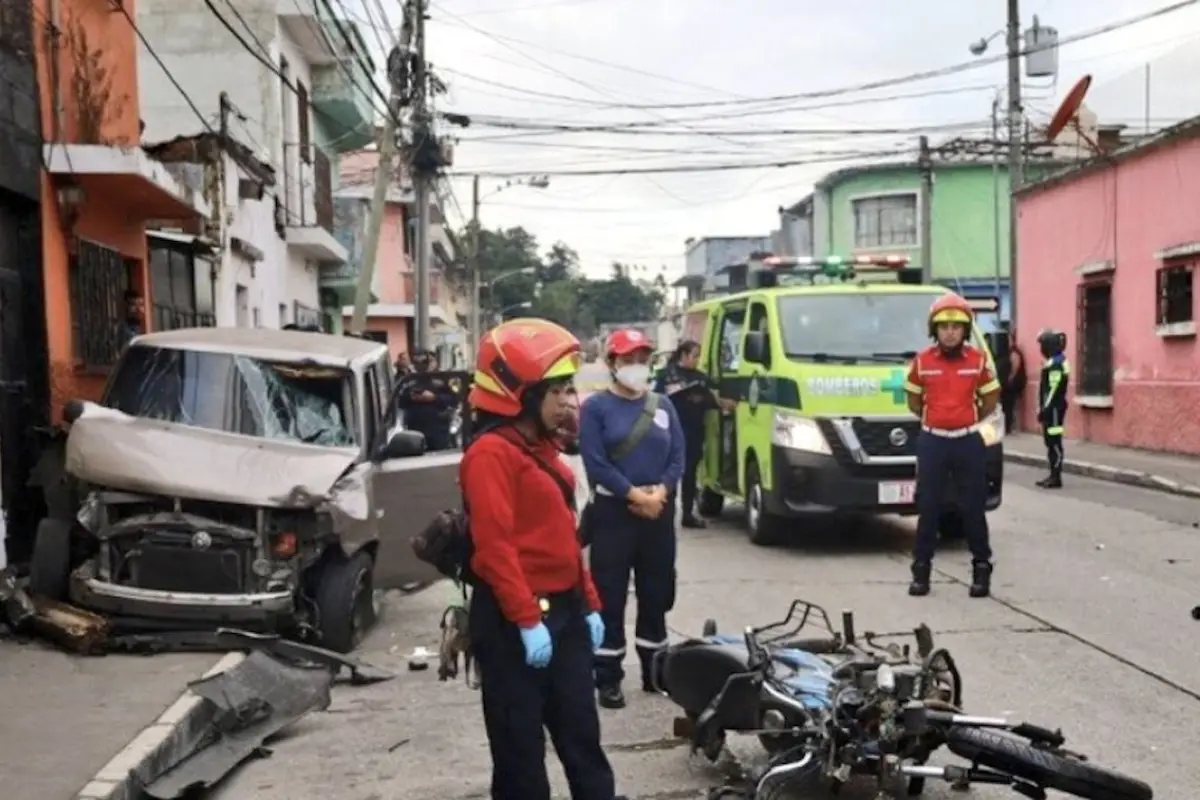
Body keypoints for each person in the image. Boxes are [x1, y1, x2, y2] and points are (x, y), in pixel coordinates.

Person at [461, 318, 625, 800]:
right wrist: (527, 620)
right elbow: (495, 549)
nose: (570, 402)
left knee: (582, 737)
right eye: (559, 391)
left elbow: (563, 539)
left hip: (567, 612)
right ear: (522, 394)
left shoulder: (546, 450)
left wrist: (590, 602)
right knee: (519, 754)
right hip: (514, 623)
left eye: (571, 389)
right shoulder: (490, 455)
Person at [581, 328, 685, 709]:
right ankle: (607, 676)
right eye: (628, 360)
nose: (637, 367)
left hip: (658, 509)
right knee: (608, 594)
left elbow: (678, 456)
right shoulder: (595, 408)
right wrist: (634, 494)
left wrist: (660, 492)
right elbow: (595, 463)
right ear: (612, 363)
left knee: (657, 590)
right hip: (614, 511)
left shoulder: (663, 406)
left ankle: (655, 671)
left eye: (643, 359)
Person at [903, 293, 1000, 599]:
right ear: (935, 330)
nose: (950, 332)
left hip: (967, 442)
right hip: (933, 442)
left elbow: (990, 399)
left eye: (956, 326)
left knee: (972, 508)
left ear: (965, 330)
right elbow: (915, 402)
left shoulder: (978, 362)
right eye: (943, 326)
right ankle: (921, 572)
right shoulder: (922, 362)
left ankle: (981, 570)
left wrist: (964, 420)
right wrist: (938, 421)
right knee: (928, 508)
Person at [653, 340, 734, 528]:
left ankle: (687, 513)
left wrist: (722, 403)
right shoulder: (666, 375)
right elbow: (655, 400)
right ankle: (666, 513)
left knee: (690, 474)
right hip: (670, 432)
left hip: (694, 431)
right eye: (695, 355)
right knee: (669, 474)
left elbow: (711, 400)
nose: (697, 360)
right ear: (684, 355)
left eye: (699, 356)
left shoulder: (700, 378)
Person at [397, 349, 458, 451]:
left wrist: (434, 398)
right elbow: (396, 401)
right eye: (417, 362)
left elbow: (453, 399)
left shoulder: (442, 378)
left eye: (424, 362)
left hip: (438, 430)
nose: (421, 366)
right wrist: (411, 397)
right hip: (412, 432)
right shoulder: (404, 378)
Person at [1035, 329, 1070, 489]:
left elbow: (1053, 389)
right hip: (1051, 408)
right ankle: (1052, 474)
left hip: (1054, 409)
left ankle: (1056, 477)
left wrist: (1045, 409)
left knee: (1054, 442)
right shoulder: (1053, 362)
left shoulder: (1056, 363)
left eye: (1042, 344)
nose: (1041, 348)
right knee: (1049, 442)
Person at [999, 325, 1027, 434]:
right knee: (1007, 406)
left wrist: (1009, 380)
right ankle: (1009, 426)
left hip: (1012, 385)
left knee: (1008, 406)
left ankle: (1009, 428)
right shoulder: (1008, 352)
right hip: (1010, 385)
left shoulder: (1014, 352)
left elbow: (1015, 367)